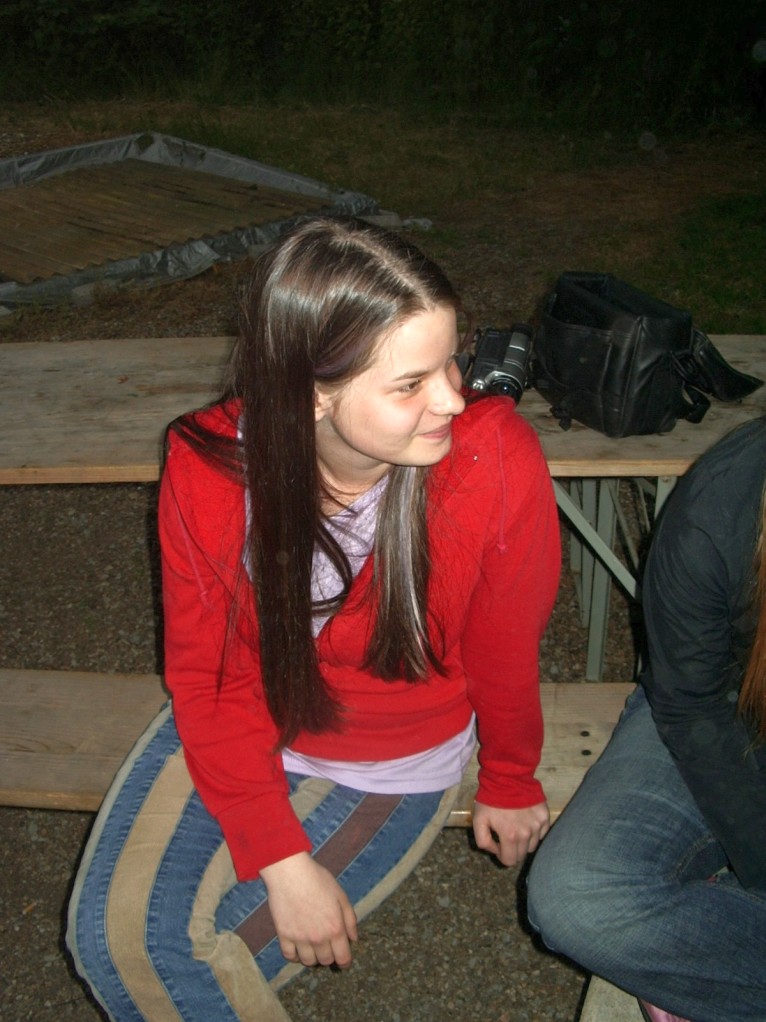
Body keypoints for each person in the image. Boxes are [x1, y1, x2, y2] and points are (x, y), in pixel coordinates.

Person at [66, 215, 561, 1022]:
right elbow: (211, 673)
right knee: (111, 940)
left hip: (390, 759)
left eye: (452, 361)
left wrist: (509, 775)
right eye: (410, 383)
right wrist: (283, 859)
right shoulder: (209, 463)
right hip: (241, 725)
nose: (453, 397)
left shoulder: (491, 459)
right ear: (311, 393)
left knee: (192, 962)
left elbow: (506, 648)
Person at [527, 415, 766, 1022]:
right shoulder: (721, 504)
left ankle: (702, 965)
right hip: (717, 713)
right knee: (575, 896)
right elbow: (691, 705)